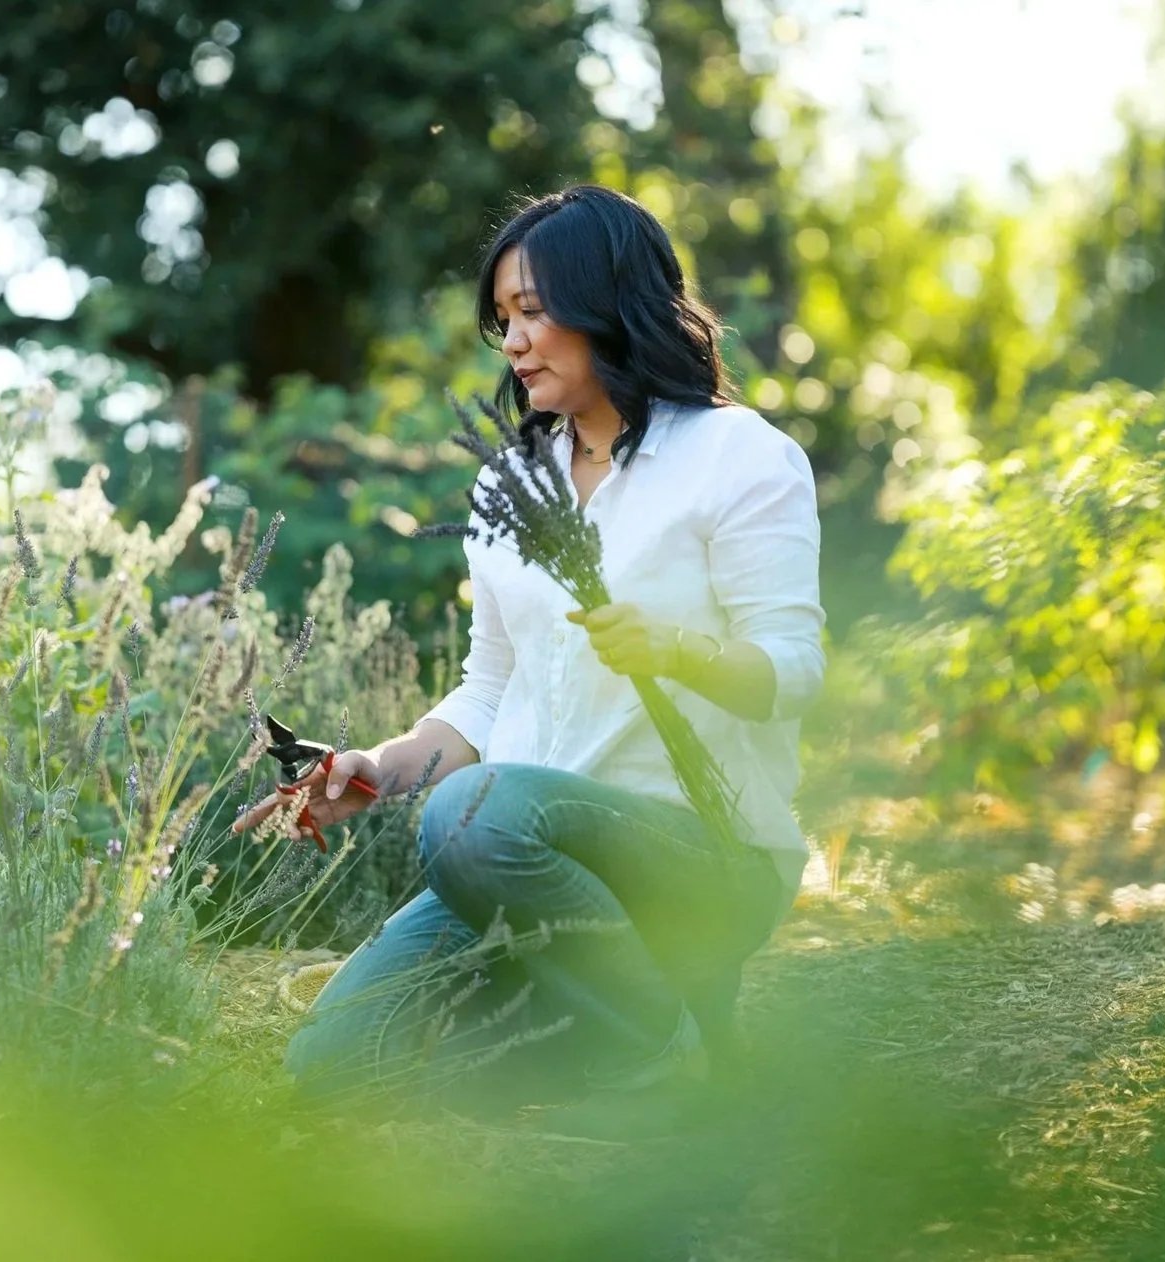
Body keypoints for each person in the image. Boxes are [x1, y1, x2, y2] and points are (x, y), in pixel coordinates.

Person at [234, 183, 825, 1121]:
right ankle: (629, 1019)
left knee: (470, 816)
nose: (510, 342)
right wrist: (377, 770)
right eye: (501, 318)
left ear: (612, 303)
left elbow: (792, 671)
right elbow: (490, 690)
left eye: (534, 312)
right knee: (335, 1065)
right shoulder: (513, 484)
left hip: (700, 851)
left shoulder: (737, 456)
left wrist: (674, 650)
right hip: (520, 849)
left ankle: (664, 1038)